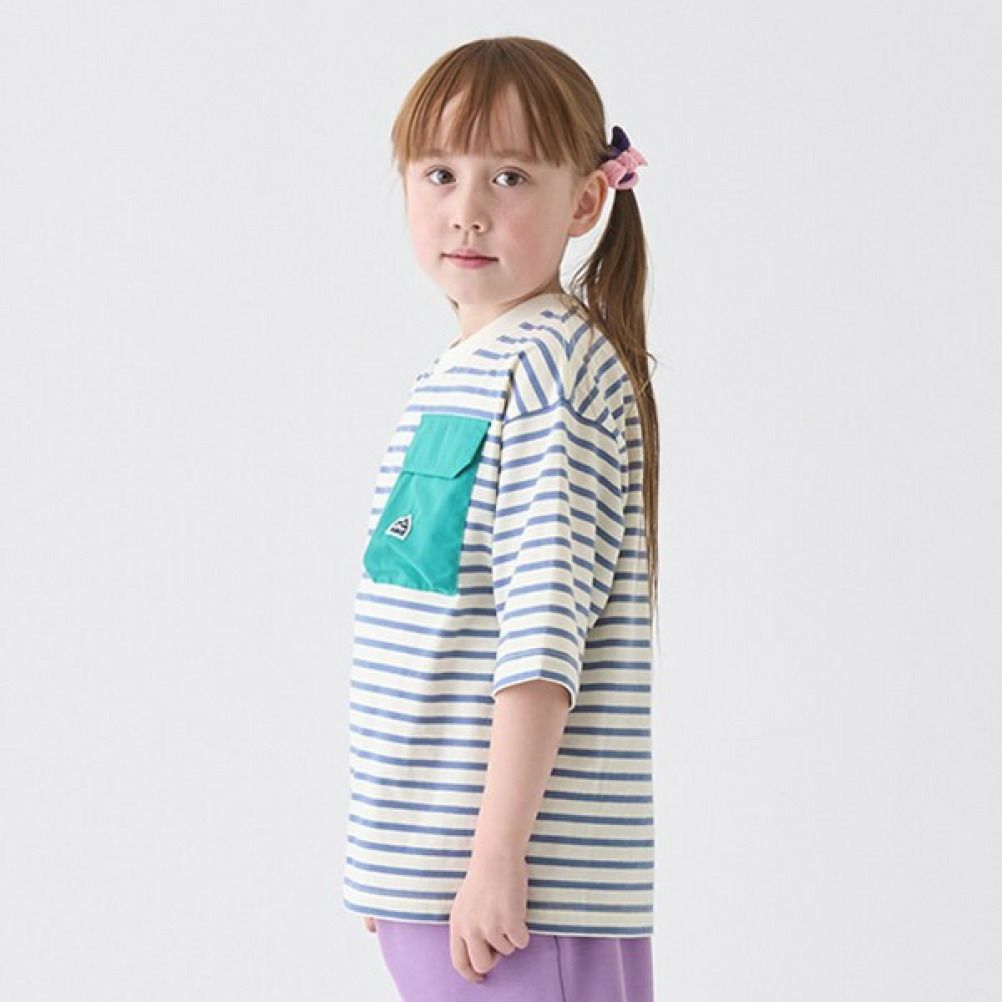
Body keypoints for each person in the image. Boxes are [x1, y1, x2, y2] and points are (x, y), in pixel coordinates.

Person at [340, 34, 661, 1002]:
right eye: (440, 173)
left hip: (518, 899)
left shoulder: (550, 371)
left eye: (510, 176)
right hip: (435, 879)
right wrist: (395, 849)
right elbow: (427, 623)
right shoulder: (465, 370)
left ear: (584, 201)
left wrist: (493, 856)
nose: (467, 208)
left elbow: (540, 635)